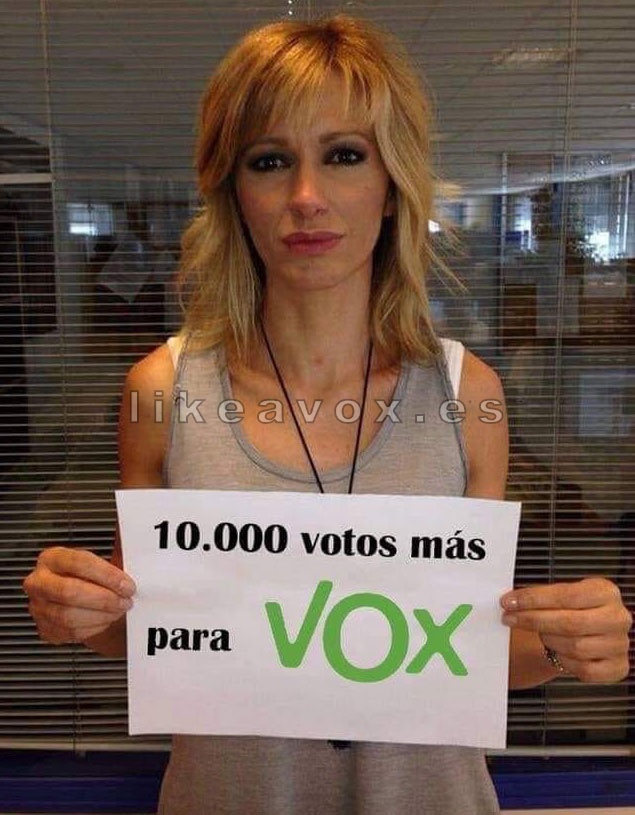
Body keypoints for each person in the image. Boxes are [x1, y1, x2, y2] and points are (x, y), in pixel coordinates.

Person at [23, 14, 631, 815]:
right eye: (269, 160)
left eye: (343, 155)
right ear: (232, 191)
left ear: (391, 184)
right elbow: (149, 631)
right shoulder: (163, 390)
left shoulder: (466, 394)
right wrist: (76, 611)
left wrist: (566, 642)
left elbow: (466, 651)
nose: (305, 198)